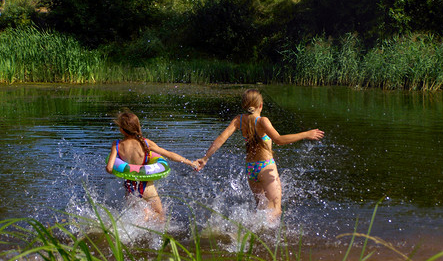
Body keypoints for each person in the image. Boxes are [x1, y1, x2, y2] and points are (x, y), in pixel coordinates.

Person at [194, 89, 324, 221]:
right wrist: (306, 134)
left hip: (251, 169)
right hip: (266, 167)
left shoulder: (238, 120)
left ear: (244, 105)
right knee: (276, 210)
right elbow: (279, 140)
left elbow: (221, 138)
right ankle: (253, 233)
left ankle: (250, 235)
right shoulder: (262, 121)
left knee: (261, 208)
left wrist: (205, 158)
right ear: (260, 105)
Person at [106, 109, 197, 222]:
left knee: (136, 219)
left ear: (122, 130)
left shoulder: (117, 145)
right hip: (146, 187)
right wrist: (190, 162)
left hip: (129, 186)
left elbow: (109, 168)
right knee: (160, 216)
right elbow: (169, 154)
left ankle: (143, 221)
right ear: (137, 127)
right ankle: (150, 218)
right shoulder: (146, 143)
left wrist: (120, 168)